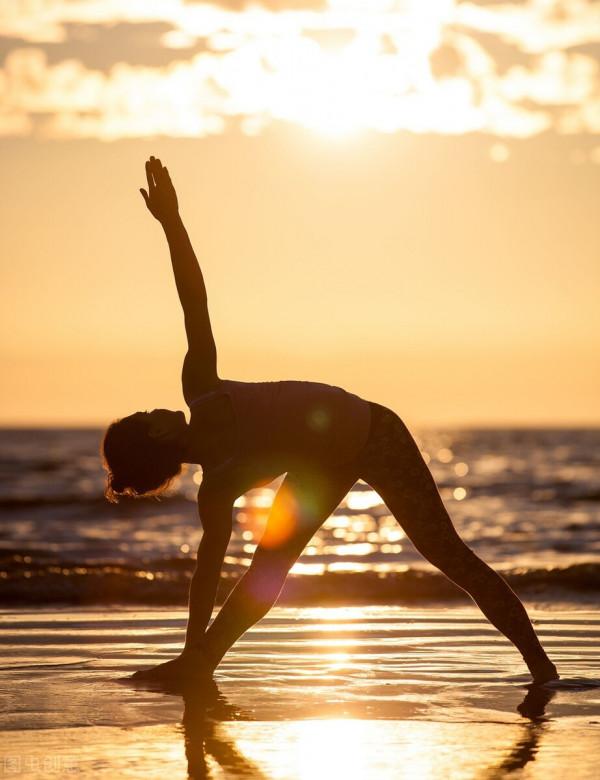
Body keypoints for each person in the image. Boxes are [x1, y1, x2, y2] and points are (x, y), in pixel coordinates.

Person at [102, 156, 559, 686]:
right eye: (142, 415)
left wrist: (172, 223)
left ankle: (541, 667)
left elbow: (193, 300)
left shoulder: (202, 391)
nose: (149, 407)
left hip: (373, 433)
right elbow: (205, 578)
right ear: (156, 433)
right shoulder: (216, 487)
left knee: (447, 554)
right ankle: (199, 668)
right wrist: (187, 652)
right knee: (266, 572)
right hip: (318, 468)